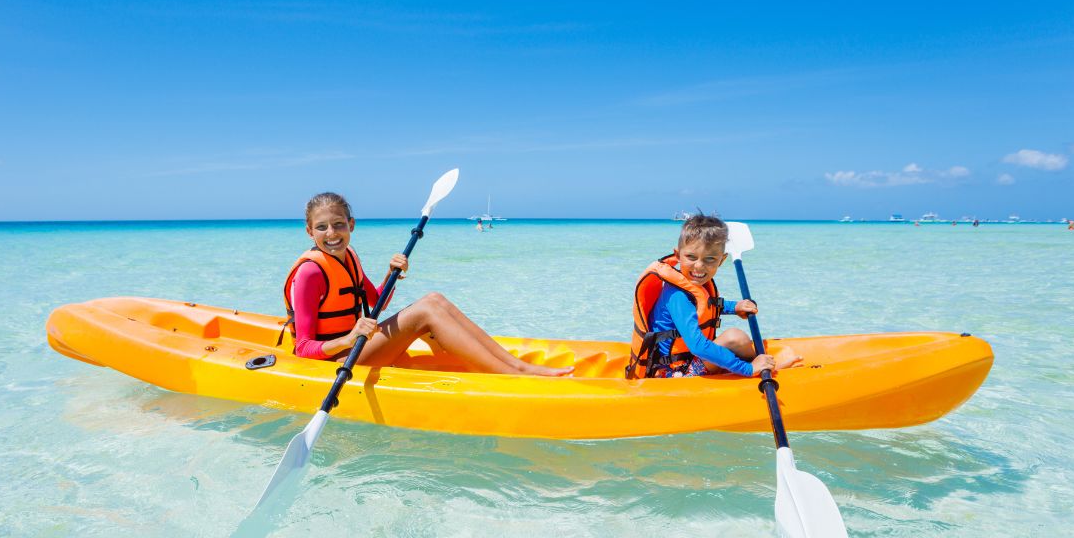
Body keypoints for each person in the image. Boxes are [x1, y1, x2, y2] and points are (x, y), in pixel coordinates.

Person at [281, 192, 572, 376]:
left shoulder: (349, 256)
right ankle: (515, 375)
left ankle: (518, 366)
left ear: (351, 225)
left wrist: (391, 274)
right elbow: (303, 348)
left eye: (339, 224)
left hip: (358, 346)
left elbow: (376, 300)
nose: (331, 233)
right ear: (310, 232)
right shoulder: (310, 273)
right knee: (425, 312)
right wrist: (347, 340)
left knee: (435, 300)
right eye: (321, 227)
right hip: (334, 363)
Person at [626, 214, 802, 379]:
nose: (699, 266)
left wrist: (734, 307)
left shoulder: (692, 286)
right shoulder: (678, 295)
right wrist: (747, 369)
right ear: (678, 255)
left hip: (689, 360)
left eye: (710, 259)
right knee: (734, 337)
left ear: (722, 260)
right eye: (691, 257)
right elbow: (697, 346)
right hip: (673, 373)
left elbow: (706, 305)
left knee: (737, 338)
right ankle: (759, 368)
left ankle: (762, 364)